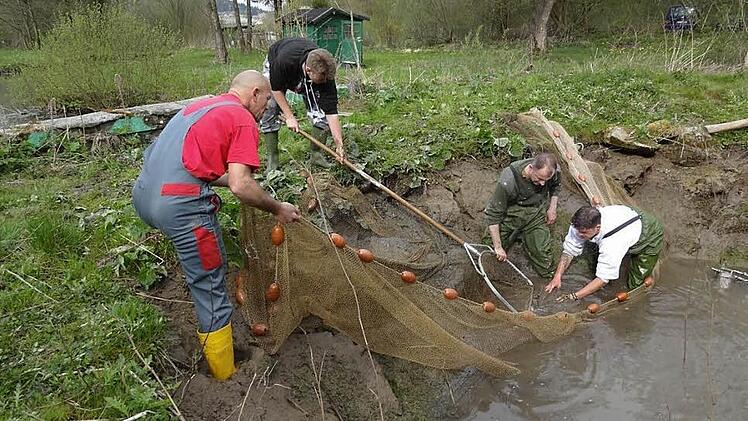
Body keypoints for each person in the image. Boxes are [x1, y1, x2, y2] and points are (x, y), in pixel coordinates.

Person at [132, 70, 300, 380]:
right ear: (254, 93)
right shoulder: (242, 120)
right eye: (266, 102)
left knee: (198, 260)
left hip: (144, 197)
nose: (267, 109)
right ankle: (225, 376)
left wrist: (248, 183)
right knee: (210, 285)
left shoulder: (201, 106)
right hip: (180, 209)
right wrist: (277, 208)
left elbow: (198, 167)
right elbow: (239, 185)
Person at [260, 37, 346, 171]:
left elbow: (331, 111)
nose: (324, 82)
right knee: (269, 106)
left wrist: (339, 144)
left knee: (321, 113)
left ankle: (316, 157)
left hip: (304, 71)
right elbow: (276, 89)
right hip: (277, 65)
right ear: (308, 70)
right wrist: (289, 117)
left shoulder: (325, 72)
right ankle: (273, 159)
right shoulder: (284, 61)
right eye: (321, 80)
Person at [546, 205, 664, 301]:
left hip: (648, 234)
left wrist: (574, 296)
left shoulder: (612, 244)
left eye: (583, 233)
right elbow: (569, 250)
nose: (579, 235)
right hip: (628, 217)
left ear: (597, 228)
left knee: (635, 283)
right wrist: (557, 276)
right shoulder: (579, 226)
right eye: (577, 231)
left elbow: (603, 279)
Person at [484, 152, 561, 279]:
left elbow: (556, 186)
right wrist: (498, 247)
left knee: (542, 254)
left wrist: (552, 208)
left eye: (545, 181)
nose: (542, 184)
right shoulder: (508, 181)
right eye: (539, 179)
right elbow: (493, 215)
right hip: (510, 213)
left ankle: (548, 277)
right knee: (489, 249)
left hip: (535, 212)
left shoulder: (554, 171)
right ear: (531, 168)